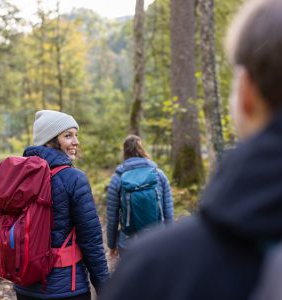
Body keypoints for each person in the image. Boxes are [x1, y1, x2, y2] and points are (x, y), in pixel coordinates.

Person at [99, 0, 282, 299]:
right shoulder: (156, 172)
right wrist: (166, 228)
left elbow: (113, 211)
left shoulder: (155, 269)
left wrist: (115, 243)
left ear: (247, 94)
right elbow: (168, 207)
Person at [14, 110, 109, 300]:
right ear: (49, 141)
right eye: (68, 136)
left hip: (24, 284)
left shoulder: (20, 175)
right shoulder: (74, 178)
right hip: (66, 288)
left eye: (76, 135)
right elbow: (91, 241)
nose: (76, 142)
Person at [106, 134, 174, 258]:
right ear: (142, 149)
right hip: (158, 237)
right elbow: (168, 211)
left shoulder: (117, 178)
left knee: (132, 276)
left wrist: (112, 245)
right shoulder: (159, 175)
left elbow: (112, 217)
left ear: (124, 151)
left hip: (129, 241)